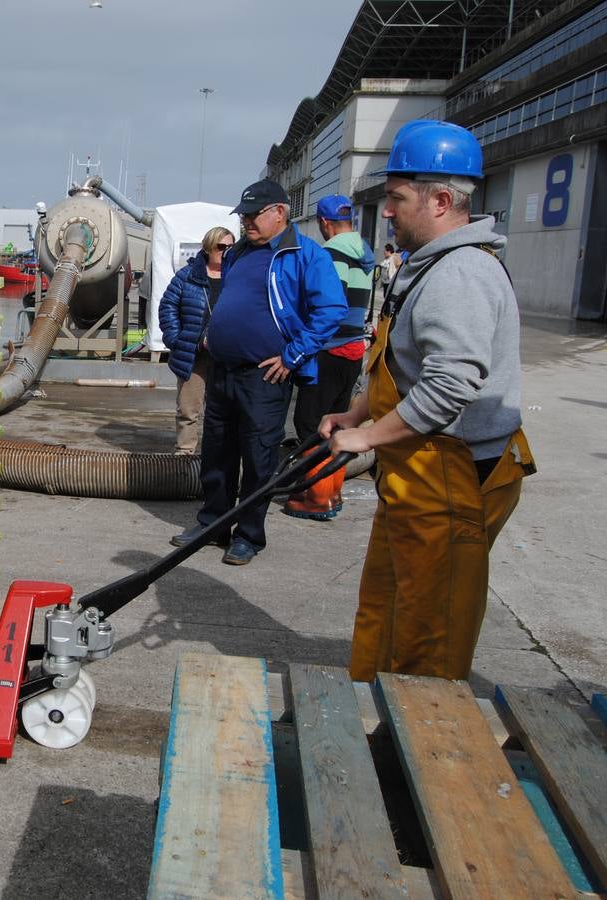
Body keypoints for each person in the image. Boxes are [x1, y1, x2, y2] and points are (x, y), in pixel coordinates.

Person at [322, 120, 535, 683]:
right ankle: (380, 713)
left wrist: (365, 438)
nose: (386, 212)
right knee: (391, 604)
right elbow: (403, 365)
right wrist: (356, 413)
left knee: (428, 634)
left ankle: (421, 747)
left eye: (395, 199)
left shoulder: (460, 273)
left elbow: (448, 386)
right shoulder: (431, 266)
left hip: (453, 476)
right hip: (419, 472)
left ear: (441, 200)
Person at [170, 179, 347, 565]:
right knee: (217, 452)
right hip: (224, 371)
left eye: (253, 214)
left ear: (280, 212)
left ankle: (248, 535)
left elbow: (331, 311)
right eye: (243, 215)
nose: (246, 221)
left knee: (258, 457)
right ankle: (212, 524)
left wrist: (291, 356)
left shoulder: (306, 255)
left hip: (265, 377)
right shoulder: (238, 254)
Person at [283, 194, 373, 520]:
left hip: (329, 350)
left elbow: (328, 308)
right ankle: (332, 494)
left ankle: (315, 497)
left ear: (323, 222)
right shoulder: (364, 255)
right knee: (338, 423)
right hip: (353, 351)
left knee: (312, 424)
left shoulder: (332, 255)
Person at [158, 226, 235, 454]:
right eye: (222, 247)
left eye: (231, 247)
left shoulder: (238, 276)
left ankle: (216, 455)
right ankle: (184, 453)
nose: (226, 252)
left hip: (227, 356)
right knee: (188, 410)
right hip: (195, 355)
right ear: (209, 247)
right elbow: (167, 306)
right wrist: (176, 339)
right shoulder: (188, 275)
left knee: (221, 410)